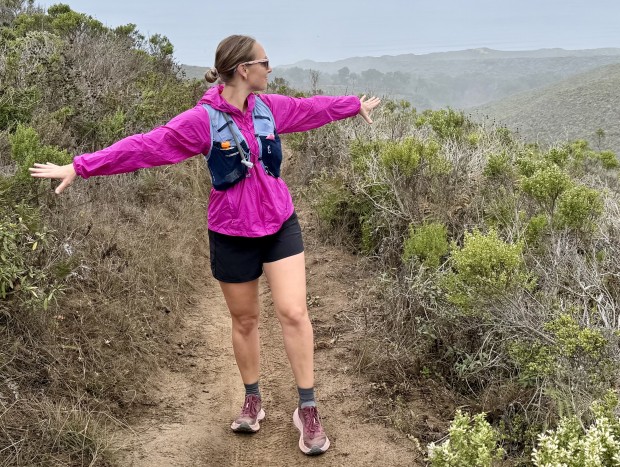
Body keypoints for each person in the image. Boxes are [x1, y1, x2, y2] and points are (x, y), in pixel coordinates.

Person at [29, 34, 381, 456]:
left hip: (279, 223)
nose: (271, 69)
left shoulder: (268, 107)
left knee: (293, 311)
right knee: (246, 319)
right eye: (265, 62)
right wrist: (81, 166)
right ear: (243, 70)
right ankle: (253, 398)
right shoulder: (200, 120)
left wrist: (351, 105)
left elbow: (309, 110)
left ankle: (307, 407)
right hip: (231, 230)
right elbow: (146, 147)